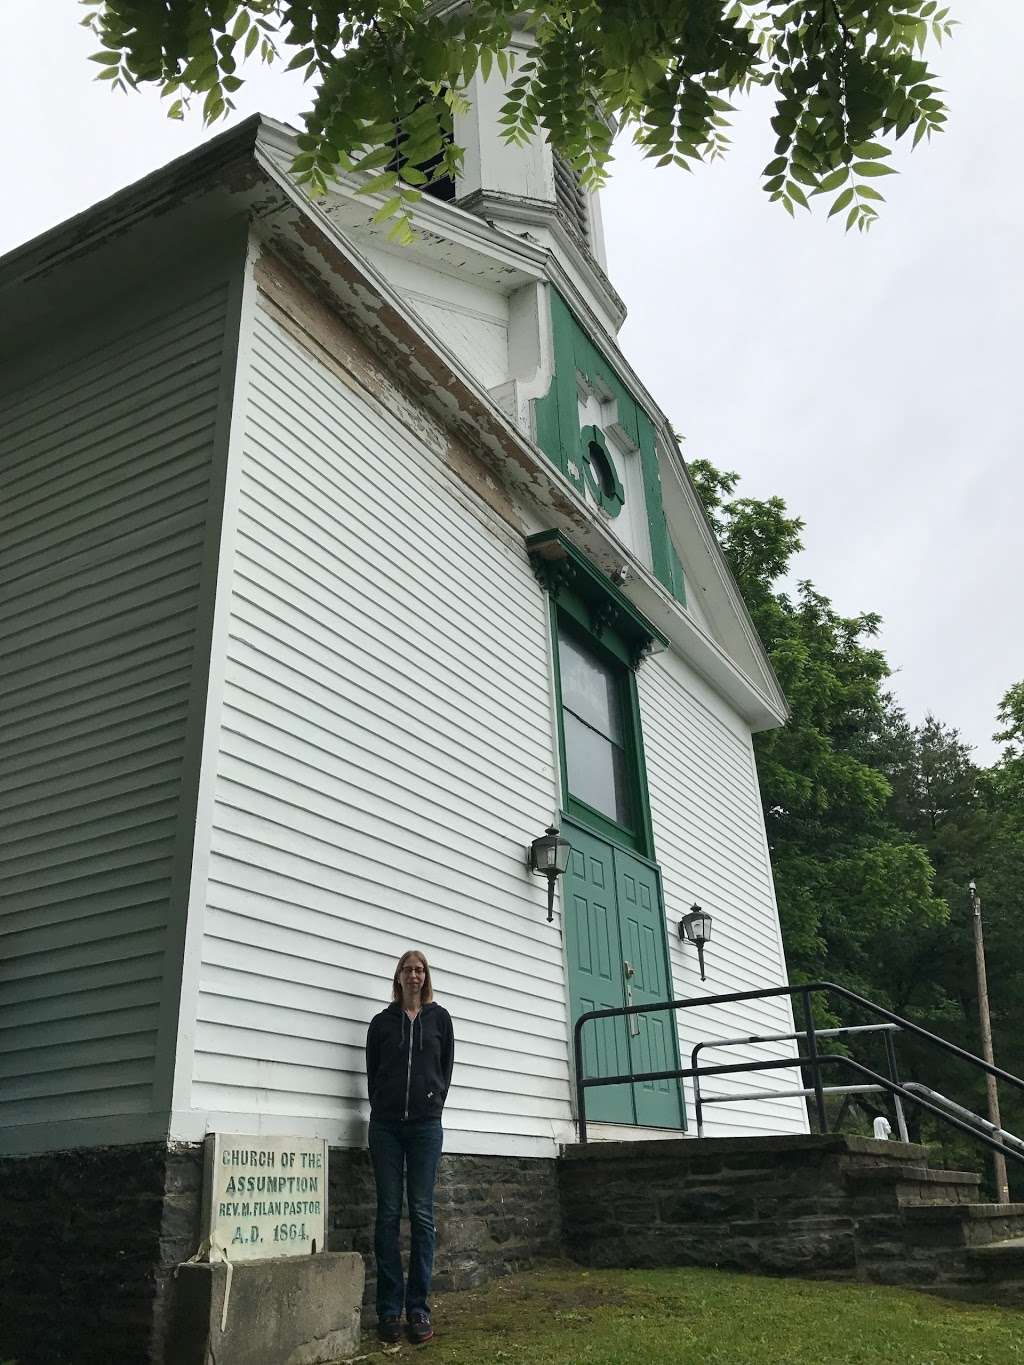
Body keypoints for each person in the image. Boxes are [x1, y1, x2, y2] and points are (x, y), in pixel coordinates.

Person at [365, 950, 455, 1346]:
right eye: (408, 970)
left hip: (425, 1128)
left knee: (421, 1214)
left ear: (426, 977)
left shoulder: (440, 1019)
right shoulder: (381, 1023)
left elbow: (446, 1066)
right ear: (398, 977)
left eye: (420, 970)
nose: (414, 976)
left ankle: (418, 1308)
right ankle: (389, 1311)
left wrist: (433, 1102)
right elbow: (373, 1070)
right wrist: (383, 1102)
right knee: (387, 1214)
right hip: (385, 1128)